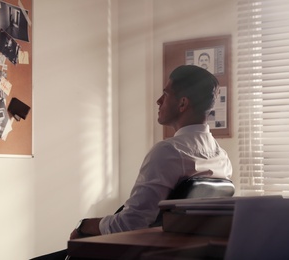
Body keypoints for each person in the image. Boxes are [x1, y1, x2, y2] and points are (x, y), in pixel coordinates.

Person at [32, 65, 232, 260]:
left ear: (182, 104)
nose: (158, 100)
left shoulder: (169, 151)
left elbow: (133, 223)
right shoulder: (222, 159)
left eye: (165, 94)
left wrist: (84, 226)